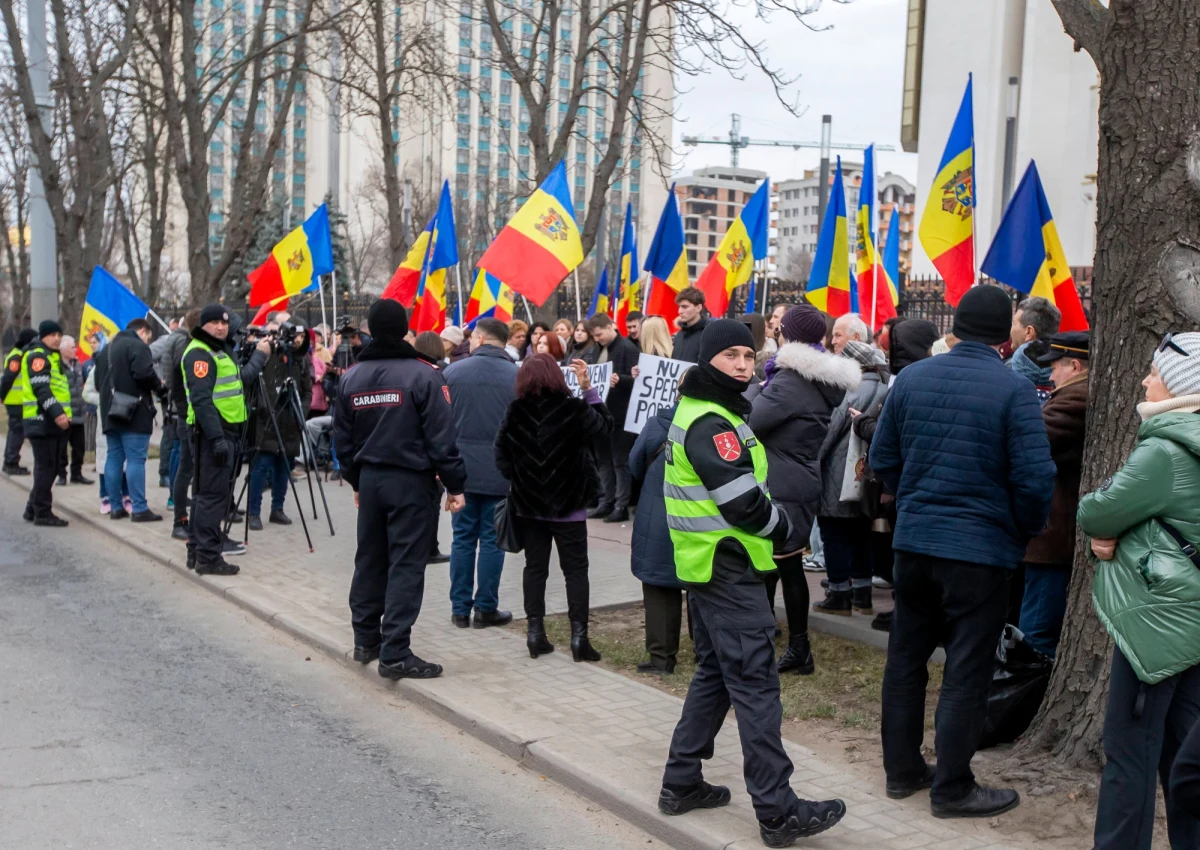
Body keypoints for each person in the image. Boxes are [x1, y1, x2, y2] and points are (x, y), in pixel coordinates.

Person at [657, 319, 846, 845]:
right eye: (730, 356)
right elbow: (743, 504)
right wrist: (786, 527)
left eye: (748, 354)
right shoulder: (713, 422)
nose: (742, 364)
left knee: (716, 674)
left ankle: (681, 782)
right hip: (728, 566)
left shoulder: (708, 410)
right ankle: (778, 810)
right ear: (708, 361)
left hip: (711, 566)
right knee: (757, 686)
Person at [870, 285, 1055, 818]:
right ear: (1005, 335)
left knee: (905, 661)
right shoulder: (1014, 389)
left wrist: (918, 499)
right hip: (980, 551)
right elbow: (1035, 477)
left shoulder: (914, 379)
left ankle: (902, 771)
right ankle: (951, 788)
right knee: (967, 670)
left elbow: (884, 457)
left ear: (957, 324)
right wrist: (1020, 528)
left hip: (917, 544)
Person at [1079, 331, 1200, 849]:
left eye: (1154, 373)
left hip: (1157, 625)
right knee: (1183, 756)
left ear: (1177, 384)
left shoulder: (1165, 451)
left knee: (1129, 755)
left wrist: (1108, 539)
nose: (1145, 379)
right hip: (1190, 620)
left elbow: (1095, 512)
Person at [334, 299, 466, 680]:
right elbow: (443, 439)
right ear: (405, 329)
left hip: (371, 481)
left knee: (370, 560)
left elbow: (342, 442)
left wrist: (357, 481)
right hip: (411, 482)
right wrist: (456, 486)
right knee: (406, 564)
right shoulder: (425, 375)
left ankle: (366, 641)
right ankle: (395, 652)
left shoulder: (352, 376)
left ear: (371, 331)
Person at [746, 305, 859, 673]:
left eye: (779, 327)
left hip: (783, 482)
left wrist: (746, 389)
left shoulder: (790, 381)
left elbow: (752, 422)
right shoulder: (813, 379)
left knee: (779, 566)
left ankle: (792, 648)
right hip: (797, 478)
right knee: (782, 564)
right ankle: (781, 641)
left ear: (786, 336)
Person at [494, 354, 612, 661]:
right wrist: (588, 390)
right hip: (569, 507)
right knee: (575, 571)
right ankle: (579, 640)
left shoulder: (516, 410)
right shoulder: (573, 409)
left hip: (530, 508)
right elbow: (604, 429)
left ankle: (536, 636)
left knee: (535, 569)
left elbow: (501, 452)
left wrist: (520, 478)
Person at [851, 317, 940, 632]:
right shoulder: (923, 377)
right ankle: (906, 609)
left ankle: (909, 614)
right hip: (920, 483)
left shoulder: (907, 381)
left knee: (908, 556)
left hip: (909, 483)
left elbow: (887, 436)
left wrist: (862, 422)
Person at [183, 304, 271, 575]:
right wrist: (217, 438)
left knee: (204, 495)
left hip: (222, 432)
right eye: (214, 323)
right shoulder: (200, 352)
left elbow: (234, 383)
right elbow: (201, 400)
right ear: (202, 325)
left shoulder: (218, 350)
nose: (220, 327)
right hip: (212, 433)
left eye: (223, 323)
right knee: (212, 497)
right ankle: (208, 558)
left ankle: (197, 551)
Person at [444, 318, 518, 629]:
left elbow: (441, 424)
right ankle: (485, 607)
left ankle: (460, 609)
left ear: (479, 338)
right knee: (492, 540)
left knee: (462, 539)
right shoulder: (518, 376)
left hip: (461, 471)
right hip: (501, 471)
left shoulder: (453, 373)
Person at [1018, 331, 1089, 657]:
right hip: (1052, 534)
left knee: (1036, 632)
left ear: (1074, 365)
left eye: (1055, 367)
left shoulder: (1076, 399)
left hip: (1055, 538)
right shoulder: (1071, 396)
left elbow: (1030, 442)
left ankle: (1029, 700)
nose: (1049, 374)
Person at [813, 339, 890, 616]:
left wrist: (813, 460)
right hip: (868, 476)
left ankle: (839, 595)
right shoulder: (885, 385)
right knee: (861, 535)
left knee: (833, 532)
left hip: (838, 473)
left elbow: (831, 430)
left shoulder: (850, 388)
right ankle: (863, 595)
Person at [629, 401, 684, 674]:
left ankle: (662, 658)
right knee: (704, 589)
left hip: (658, 515)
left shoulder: (657, 424)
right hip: (703, 520)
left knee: (660, 588)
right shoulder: (719, 424)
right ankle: (707, 653)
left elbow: (635, 464)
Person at [93, 318, 166, 522]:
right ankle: (139, 508)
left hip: (110, 412)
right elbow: (144, 373)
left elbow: (98, 382)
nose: (148, 342)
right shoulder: (137, 346)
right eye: (148, 338)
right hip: (134, 411)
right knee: (135, 459)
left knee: (114, 457)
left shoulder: (105, 350)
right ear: (142, 331)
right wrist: (159, 386)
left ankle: (116, 507)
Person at [246, 322, 312, 531]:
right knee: (261, 467)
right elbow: (254, 383)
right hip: (266, 421)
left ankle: (278, 509)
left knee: (284, 468)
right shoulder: (268, 354)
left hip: (290, 422)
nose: (296, 341)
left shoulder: (301, 360)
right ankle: (253, 512)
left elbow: (307, 390)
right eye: (293, 336)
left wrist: (301, 410)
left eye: (300, 337)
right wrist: (265, 408)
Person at [586, 313, 640, 523]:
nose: (597, 339)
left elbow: (638, 380)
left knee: (620, 462)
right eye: (595, 336)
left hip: (620, 415)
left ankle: (621, 505)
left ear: (610, 327)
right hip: (601, 414)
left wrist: (621, 379)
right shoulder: (596, 350)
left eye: (599, 334)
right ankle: (606, 502)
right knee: (604, 461)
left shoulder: (627, 349)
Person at [21, 320, 72, 526]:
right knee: (46, 468)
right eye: (52, 335)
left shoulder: (52, 356)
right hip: (42, 420)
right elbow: (41, 389)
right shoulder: (38, 356)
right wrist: (58, 413)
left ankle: (32, 508)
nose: (57, 338)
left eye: (59, 335)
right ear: (43, 336)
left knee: (49, 467)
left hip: (49, 421)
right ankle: (42, 513)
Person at [168, 308, 203, 539]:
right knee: (186, 469)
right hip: (188, 419)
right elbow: (180, 389)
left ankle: (197, 520)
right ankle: (180, 520)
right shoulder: (187, 350)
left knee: (194, 470)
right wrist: (185, 413)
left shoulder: (196, 348)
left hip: (192, 417)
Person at [1008, 296, 1061, 403]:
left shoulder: (1005, 373)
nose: (1011, 329)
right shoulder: (1068, 374)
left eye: (1014, 323)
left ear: (1029, 332)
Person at [56, 335, 92, 486]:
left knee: (79, 447)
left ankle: (76, 474)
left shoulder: (78, 364)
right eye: (72, 347)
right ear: (63, 349)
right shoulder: (57, 366)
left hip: (78, 412)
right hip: (64, 414)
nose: (75, 350)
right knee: (61, 448)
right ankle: (62, 475)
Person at [1, 326, 36, 474]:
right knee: (17, 432)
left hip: (18, 401)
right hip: (15, 401)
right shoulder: (17, 356)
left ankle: (10, 461)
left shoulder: (20, 355)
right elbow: (8, 378)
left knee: (16, 431)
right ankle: (11, 462)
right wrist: (1, 395)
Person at [670, 287, 710, 363]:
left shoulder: (710, 332)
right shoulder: (679, 335)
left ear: (698, 308)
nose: (680, 311)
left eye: (685, 307)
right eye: (679, 307)